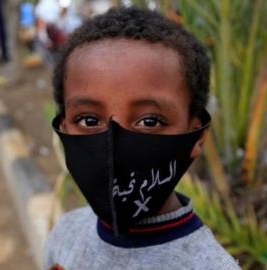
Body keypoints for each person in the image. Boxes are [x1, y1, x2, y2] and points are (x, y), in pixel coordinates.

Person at [45, 7, 240, 270]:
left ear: (197, 136)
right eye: (89, 120)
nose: (114, 145)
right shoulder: (65, 235)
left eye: (150, 121)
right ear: (65, 126)